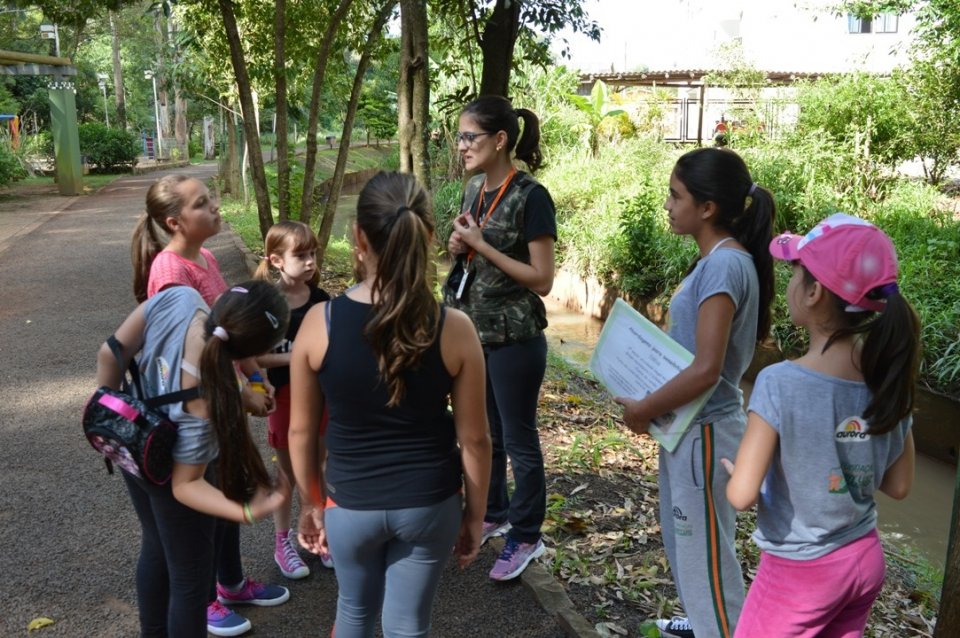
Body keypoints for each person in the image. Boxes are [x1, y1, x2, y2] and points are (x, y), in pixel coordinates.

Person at [288, 171, 492, 637]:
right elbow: (475, 439)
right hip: (429, 503)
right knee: (407, 625)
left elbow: (301, 432)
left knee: (354, 615)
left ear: (358, 237)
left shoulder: (321, 322)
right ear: (430, 237)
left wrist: (311, 503)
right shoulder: (455, 327)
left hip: (349, 503)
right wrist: (475, 516)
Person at [722, 214, 918, 637]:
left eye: (794, 273)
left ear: (813, 292)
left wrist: (738, 474)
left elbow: (741, 496)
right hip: (863, 561)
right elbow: (899, 485)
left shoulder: (779, 382)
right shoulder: (888, 378)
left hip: (802, 571)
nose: (789, 284)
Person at [614, 147, 775, 638]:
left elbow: (707, 370)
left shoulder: (725, 266)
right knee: (691, 544)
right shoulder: (715, 262)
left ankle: (719, 629)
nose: (667, 204)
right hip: (687, 430)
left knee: (706, 554)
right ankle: (704, 624)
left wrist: (644, 408)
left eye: (675, 195)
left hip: (705, 432)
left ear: (707, 208)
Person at [130, 174, 289, 637]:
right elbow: (186, 359)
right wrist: (243, 393)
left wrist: (257, 378)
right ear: (175, 221)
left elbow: (230, 332)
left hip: (218, 408)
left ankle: (232, 582)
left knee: (226, 489)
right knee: (187, 543)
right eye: (203, 203)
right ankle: (205, 603)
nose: (216, 207)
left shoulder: (203, 256)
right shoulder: (171, 274)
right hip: (188, 421)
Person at [96, 281, 291, 638]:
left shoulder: (179, 297)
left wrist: (110, 413)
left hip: (131, 444)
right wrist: (246, 511)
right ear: (256, 347)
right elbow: (187, 486)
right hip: (169, 469)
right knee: (190, 579)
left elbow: (111, 353)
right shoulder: (205, 404)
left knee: (155, 544)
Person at [444, 95, 556, 581]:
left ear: (500, 140)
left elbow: (543, 278)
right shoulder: (474, 191)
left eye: (470, 136)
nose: (462, 145)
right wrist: (459, 246)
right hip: (472, 333)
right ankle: (493, 511)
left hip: (514, 339)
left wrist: (480, 245)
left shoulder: (532, 196)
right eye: (461, 136)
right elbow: (471, 253)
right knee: (483, 433)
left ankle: (527, 534)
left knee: (519, 438)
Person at [253, 221, 333, 578]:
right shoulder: (267, 304)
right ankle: (283, 541)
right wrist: (299, 355)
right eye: (300, 255)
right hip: (284, 397)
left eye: (313, 253)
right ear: (275, 260)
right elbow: (255, 357)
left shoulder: (321, 300)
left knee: (321, 466)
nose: (310, 261)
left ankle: (322, 532)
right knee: (286, 472)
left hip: (322, 396)